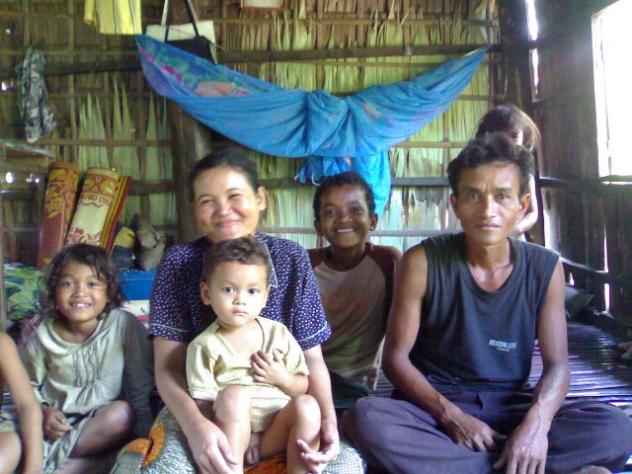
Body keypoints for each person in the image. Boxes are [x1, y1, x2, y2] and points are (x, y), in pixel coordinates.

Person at [343, 133, 632, 474]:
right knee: (366, 418)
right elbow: (395, 359)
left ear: (522, 205)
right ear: (455, 204)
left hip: (511, 407)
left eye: (502, 196)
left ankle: (476, 465)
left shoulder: (544, 268)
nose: (487, 210)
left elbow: (557, 366)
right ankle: (519, 466)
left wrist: (536, 426)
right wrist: (452, 417)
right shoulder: (422, 262)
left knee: (616, 428)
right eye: (473, 196)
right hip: (434, 409)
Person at [147, 148, 360, 474]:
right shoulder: (178, 263)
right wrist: (196, 429)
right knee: (165, 469)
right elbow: (166, 368)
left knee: (345, 466)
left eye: (235, 196)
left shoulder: (291, 259)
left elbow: (311, 359)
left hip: (280, 413)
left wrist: (328, 421)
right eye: (207, 201)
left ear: (260, 198)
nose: (223, 211)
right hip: (197, 409)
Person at [187, 237, 320, 473]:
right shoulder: (204, 346)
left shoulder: (279, 334)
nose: (240, 299)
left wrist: (282, 378)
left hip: (278, 431)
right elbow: (202, 405)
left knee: (308, 405)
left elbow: (302, 386)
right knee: (235, 396)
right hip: (233, 439)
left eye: (252, 291)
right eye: (228, 289)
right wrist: (243, 433)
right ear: (207, 293)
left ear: (266, 296)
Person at [20, 243, 154, 473]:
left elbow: (140, 385)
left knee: (121, 414)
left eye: (92, 284)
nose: (79, 292)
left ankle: (58, 463)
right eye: (67, 283)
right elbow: (26, 386)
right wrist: (44, 412)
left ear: (109, 292)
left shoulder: (123, 325)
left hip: (102, 422)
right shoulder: (42, 336)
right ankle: (84, 465)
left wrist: (144, 439)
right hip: (56, 426)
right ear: (54, 292)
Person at [309, 172, 400, 410]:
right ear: (318, 226)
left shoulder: (388, 263)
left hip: (355, 386)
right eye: (330, 212)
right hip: (306, 377)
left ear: (373, 220)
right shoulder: (306, 265)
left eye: (355, 210)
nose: (343, 219)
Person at [476, 104, 541, 238]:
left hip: (515, 239)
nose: (508, 143)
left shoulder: (524, 174)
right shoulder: (479, 171)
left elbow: (533, 213)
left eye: (514, 137)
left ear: (524, 138)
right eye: (501, 137)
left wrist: (513, 231)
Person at [0, 331, 43, 473]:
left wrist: (34, 468)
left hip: (2, 430)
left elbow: (27, 406)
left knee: (9, 446)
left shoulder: (2, 343)